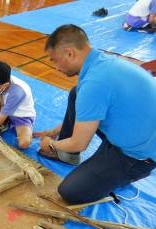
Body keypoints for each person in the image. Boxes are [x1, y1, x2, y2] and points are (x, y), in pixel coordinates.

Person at [37, 24, 156, 204]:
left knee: (69, 191)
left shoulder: (94, 84)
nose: (56, 67)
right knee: (76, 93)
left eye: (54, 60)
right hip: (138, 130)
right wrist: (56, 130)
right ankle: (69, 155)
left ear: (69, 53)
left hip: (137, 156)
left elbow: (80, 143)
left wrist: (52, 144)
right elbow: (89, 113)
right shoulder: (103, 62)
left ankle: (123, 175)